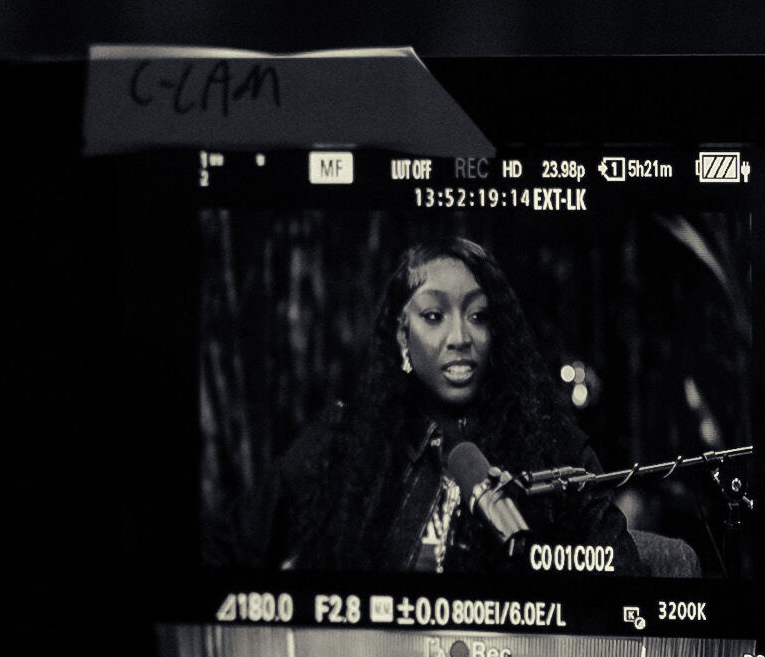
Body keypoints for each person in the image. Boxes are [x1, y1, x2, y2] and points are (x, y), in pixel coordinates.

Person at [231, 234, 637, 576]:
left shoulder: (553, 444)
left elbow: (619, 574)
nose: (460, 337)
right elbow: (231, 548)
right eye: (433, 315)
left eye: (478, 316)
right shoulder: (342, 440)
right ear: (402, 337)